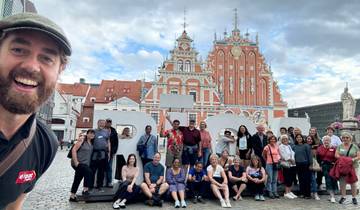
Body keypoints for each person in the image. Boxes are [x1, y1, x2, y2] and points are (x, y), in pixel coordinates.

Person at [0, 13, 71, 209]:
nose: (32, 66)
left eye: (47, 58)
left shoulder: (44, 142)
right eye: (18, 50)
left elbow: (12, 205)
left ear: (60, 70)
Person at [69, 130, 95, 202]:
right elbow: (73, 150)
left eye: (93, 134)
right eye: (90, 133)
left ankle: (72, 196)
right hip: (79, 163)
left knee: (77, 178)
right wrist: (76, 162)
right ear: (87, 134)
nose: (92, 135)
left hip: (86, 163)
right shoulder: (82, 140)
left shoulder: (92, 143)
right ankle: (85, 189)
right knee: (89, 172)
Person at [335, 132, 360, 205]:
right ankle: (343, 196)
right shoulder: (339, 146)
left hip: (353, 166)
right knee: (342, 182)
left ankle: (354, 197)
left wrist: (352, 159)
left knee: (353, 182)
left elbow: (359, 156)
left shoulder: (355, 146)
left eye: (347, 137)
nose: (345, 139)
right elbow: (336, 155)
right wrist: (344, 159)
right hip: (342, 167)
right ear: (342, 138)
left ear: (350, 138)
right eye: (343, 137)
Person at [90, 119, 111, 190]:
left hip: (103, 154)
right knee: (92, 171)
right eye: (101, 123)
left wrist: (109, 152)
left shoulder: (106, 132)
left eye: (103, 123)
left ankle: (99, 186)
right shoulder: (93, 131)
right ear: (97, 123)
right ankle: (90, 186)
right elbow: (89, 140)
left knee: (101, 171)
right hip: (95, 154)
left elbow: (108, 142)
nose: (102, 124)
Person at [317, 135, 338, 203]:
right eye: (325, 140)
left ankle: (333, 194)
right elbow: (318, 158)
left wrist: (335, 164)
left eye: (328, 140)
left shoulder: (333, 148)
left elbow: (336, 158)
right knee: (328, 179)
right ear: (323, 141)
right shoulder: (320, 148)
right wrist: (320, 165)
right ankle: (332, 196)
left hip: (332, 166)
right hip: (324, 166)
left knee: (333, 179)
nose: (326, 141)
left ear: (330, 141)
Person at [293, 134, 312, 199]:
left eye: (300, 137)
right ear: (296, 139)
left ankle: (307, 194)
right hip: (298, 164)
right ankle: (302, 193)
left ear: (302, 138)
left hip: (306, 164)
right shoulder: (294, 146)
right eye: (297, 137)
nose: (299, 138)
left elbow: (309, 155)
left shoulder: (306, 146)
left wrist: (310, 164)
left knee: (306, 180)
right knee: (300, 180)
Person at [278, 135, 297, 199]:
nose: (285, 140)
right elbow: (283, 155)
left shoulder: (289, 146)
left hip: (292, 164)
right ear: (281, 140)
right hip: (287, 164)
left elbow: (292, 153)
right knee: (287, 178)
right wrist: (291, 160)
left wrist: (293, 160)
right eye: (283, 139)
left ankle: (290, 191)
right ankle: (286, 192)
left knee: (291, 178)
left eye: (286, 138)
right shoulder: (281, 146)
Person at [306, 135, 320, 200]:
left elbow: (316, 157)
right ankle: (310, 192)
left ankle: (315, 193)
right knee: (307, 180)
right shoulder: (304, 146)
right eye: (308, 139)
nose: (309, 140)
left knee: (313, 179)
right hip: (304, 165)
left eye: (310, 139)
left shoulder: (315, 148)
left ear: (312, 140)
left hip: (312, 165)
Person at [105, 118, 119, 188]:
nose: (108, 123)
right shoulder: (102, 130)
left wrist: (114, 151)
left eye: (109, 122)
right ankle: (99, 183)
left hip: (110, 152)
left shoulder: (113, 130)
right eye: (107, 122)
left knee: (109, 167)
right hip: (102, 152)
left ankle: (109, 182)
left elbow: (116, 142)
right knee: (101, 168)